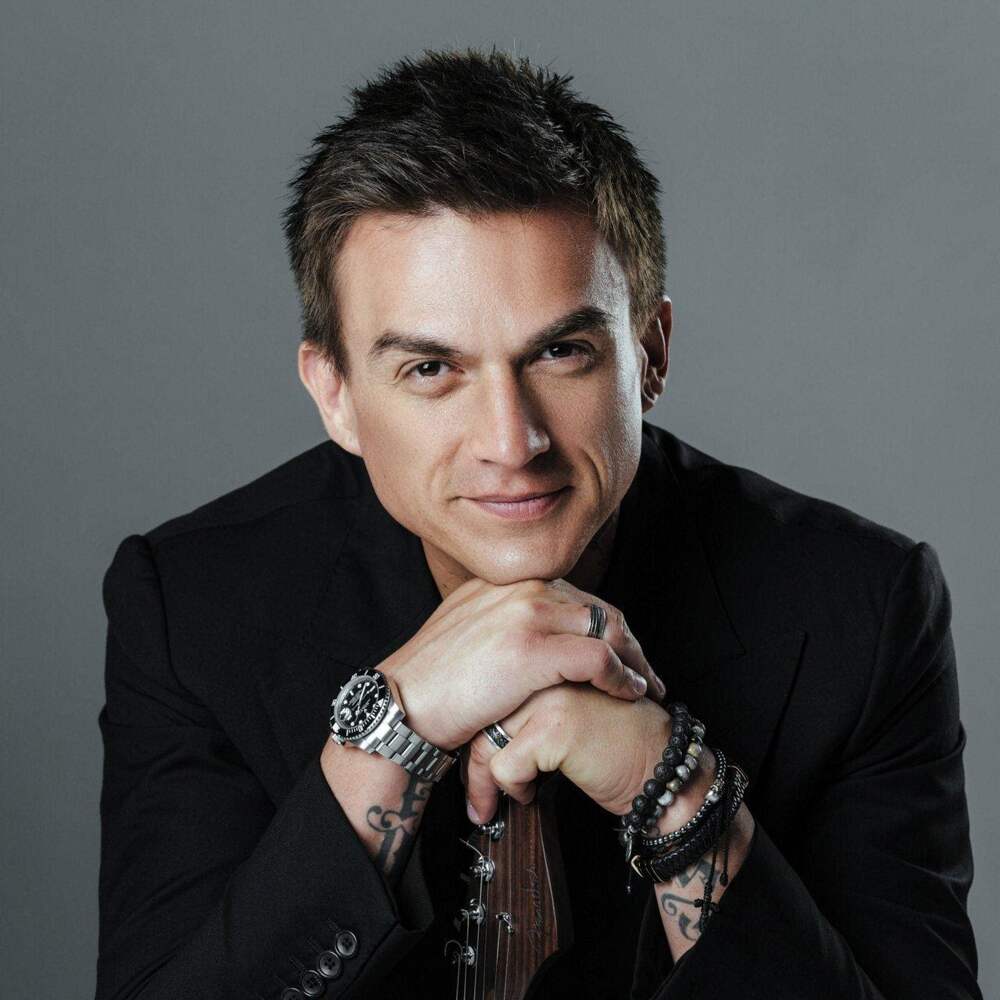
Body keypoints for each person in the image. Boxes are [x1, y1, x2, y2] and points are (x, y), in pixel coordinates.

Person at [95, 46, 982, 999]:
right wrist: (390, 735)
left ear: (651, 353)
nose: (511, 442)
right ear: (336, 395)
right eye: (431, 369)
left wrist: (671, 787)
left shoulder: (861, 610)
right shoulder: (194, 609)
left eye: (561, 353)